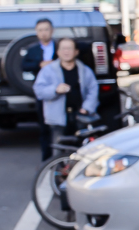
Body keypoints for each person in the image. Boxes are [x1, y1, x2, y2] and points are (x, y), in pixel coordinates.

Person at [33, 37, 98, 148]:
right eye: (63, 49)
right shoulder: (48, 70)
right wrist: (55, 90)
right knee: (58, 150)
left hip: (80, 117)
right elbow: (38, 90)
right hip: (57, 118)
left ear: (76, 52)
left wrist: (87, 108)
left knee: (82, 150)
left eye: (69, 48)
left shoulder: (85, 70)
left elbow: (93, 90)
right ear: (57, 52)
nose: (66, 51)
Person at [23, 18, 57, 160]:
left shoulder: (60, 46)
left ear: (52, 31)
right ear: (37, 33)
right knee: (44, 127)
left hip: (61, 90)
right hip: (43, 92)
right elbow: (24, 66)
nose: (43, 33)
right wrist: (40, 64)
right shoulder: (33, 50)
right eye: (40, 30)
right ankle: (46, 160)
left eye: (46, 29)